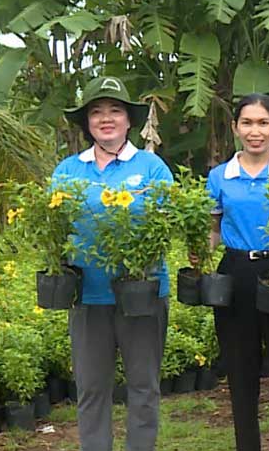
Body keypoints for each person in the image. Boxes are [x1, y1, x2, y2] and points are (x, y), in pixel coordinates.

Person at [52, 76, 173, 451]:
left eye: (115, 110)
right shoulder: (69, 170)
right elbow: (54, 227)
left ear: (129, 120)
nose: (106, 119)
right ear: (87, 122)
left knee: (143, 386)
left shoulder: (151, 167)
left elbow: (167, 223)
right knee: (91, 389)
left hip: (144, 293)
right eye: (97, 112)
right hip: (88, 295)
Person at [201, 94, 269, 451]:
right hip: (235, 273)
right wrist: (199, 258)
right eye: (247, 123)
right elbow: (212, 228)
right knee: (240, 369)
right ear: (235, 128)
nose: (255, 131)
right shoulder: (220, 176)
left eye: (263, 123)